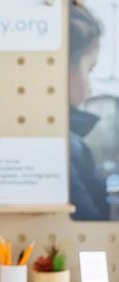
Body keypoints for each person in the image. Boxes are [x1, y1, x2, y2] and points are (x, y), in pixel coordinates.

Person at [69, 4, 110, 220]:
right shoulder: (68, 146)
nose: (91, 87)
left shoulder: (71, 141)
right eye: (90, 69)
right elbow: (89, 218)